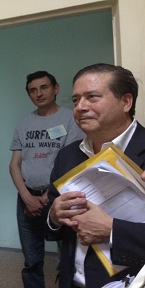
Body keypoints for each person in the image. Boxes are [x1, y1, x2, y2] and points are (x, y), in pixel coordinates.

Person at [44, 63, 145, 287]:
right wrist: (53, 215)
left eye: (92, 97)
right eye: (75, 99)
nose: (80, 107)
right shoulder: (66, 156)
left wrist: (112, 231)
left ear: (126, 102)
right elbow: (49, 223)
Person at [9, 71, 84, 288]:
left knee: (66, 260)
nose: (39, 94)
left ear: (56, 89)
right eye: (33, 90)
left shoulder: (71, 119)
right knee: (31, 260)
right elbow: (14, 164)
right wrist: (26, 196)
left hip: (60, 198)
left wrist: (46, 197)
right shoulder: (24, 123)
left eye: (44, 88)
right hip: (26, 198)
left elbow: (71, 163)